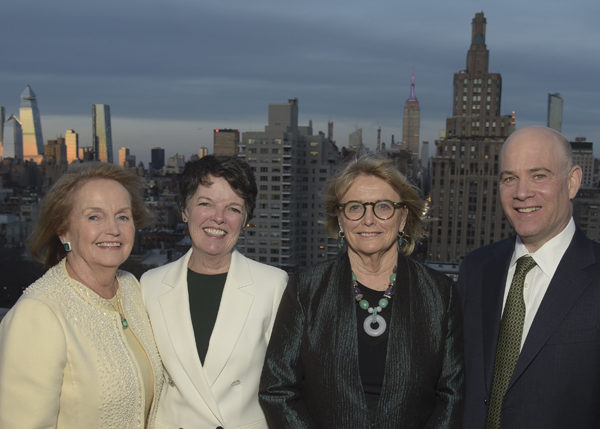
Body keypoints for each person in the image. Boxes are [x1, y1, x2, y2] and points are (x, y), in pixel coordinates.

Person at [260, 156, 464, 428]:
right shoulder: (305, 290)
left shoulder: (440, 294)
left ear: (402, 218)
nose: (369, 220)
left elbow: (451, 396)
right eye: (355, 208)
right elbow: (277, 390)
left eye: (383, 207)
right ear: (341, 220)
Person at [0, 163, 164, 428]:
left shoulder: (131, 288)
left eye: (123, 216)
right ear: (64, 230)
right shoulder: (39, 313)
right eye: (94, 217)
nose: (113, 229)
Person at [459, 126, 600, 428]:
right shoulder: (476, 269)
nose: (522, 193)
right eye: (509, 178)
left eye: (539, 176)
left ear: (573, 182)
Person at [141, 155, 288, 428]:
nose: (218, 218)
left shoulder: (274, 285)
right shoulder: (150, 286)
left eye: (233, 208)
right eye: (205, 203)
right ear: (185, 210)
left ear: (245, 219)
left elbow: (289, 387)